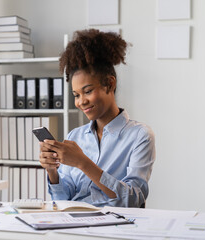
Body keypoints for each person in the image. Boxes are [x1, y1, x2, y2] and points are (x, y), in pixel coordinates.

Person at [39, 29, 156, 208]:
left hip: (114, 226)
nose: (81, 101)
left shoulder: (140, 135)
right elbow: (63, 199)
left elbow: (133, 199)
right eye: (76, 95)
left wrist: (83, 162)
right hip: (73, 223)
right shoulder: (74, 136)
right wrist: (52, 171)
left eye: (87, 91)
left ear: (110, 84)